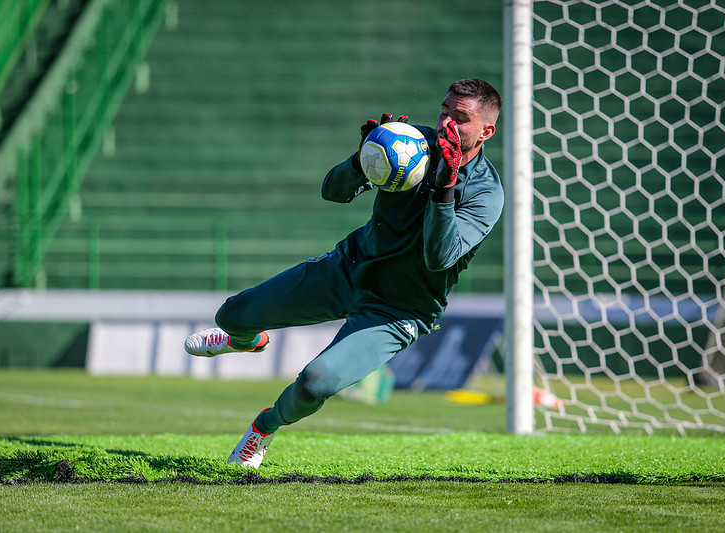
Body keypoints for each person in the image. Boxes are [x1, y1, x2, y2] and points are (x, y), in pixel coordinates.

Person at [184, 78, 504, 468]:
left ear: (486, 131)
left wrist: (445, 187)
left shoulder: (487, 193)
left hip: (399, 309)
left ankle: (262, 430)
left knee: (314, 383)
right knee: (230, 316)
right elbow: (331, 192)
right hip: (348, 269)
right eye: (444, 110)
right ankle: (245, 340)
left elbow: (439, 258)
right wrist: (362, 160)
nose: (446, 124)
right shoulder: (411, 144)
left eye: (461, 118)